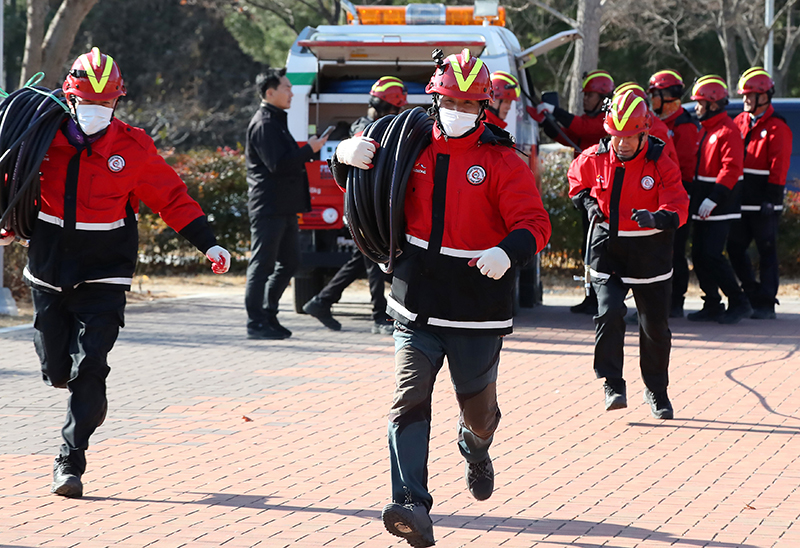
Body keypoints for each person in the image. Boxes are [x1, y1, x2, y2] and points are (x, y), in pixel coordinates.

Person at [330, 49, 551, 547]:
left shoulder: (502, 160)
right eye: (450, 101)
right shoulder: (406, 144)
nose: (459, 111)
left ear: (483, 108)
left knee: (479, 412)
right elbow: (365, 183)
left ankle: (476, 448)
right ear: (434, 99)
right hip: (416, 297)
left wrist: (507, 250)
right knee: (409, 398)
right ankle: (411, 505)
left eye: (469, 105)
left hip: (478, 304)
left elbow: (536, 225)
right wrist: (342, 158)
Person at [0, 48, 231, 498]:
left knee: (92, 364)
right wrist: (7, 222)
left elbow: (171, 197)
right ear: (69, 98)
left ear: (117, 102)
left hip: (106, 265)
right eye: (88, 102)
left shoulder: (133, 145)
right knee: (57, 368)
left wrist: (209, 242)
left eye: (105, 104)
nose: (96, 112)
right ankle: (77, 386)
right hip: (50, 261)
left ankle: (71, 460)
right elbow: (9, 178)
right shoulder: (37, 137)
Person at [567, 90, 688, 419]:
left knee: (655, 329)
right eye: (615, 136)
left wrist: (658, 218)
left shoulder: (660, 160)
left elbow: (679, 203)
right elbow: (576, 178)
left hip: (651, 255)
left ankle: (657, 390)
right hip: (609, 252)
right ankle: (612, 383)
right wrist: (589, 203)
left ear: (644, 133)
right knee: (608, 313)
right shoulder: (597, 155)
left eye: (629, 137)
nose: (621, 144)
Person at [302, 76, 408, 334]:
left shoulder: (363, 126)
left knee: (361, 261)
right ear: (392, 107)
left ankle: (321, 301)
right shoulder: (371, 131)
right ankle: (378, 317)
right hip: (366, 211)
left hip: (365, 209)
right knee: (374, 263)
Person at [244, 68, 329, 340]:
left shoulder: (277, 120)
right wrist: (310, 150)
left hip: (284, 207)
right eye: (286, 87)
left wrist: (306, 150)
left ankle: (268, 315)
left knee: (290, 262)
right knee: (262, 265)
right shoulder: (264, 123)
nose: (292, 92)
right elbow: (278, 165)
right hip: (268, 207)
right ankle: (256, 322)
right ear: (270, 93)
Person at [535, 70, 615, 315]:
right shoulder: (587, 119)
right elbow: (569, 137)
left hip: (601, 193)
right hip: (588, 192)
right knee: (588, 247)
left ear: (603, 98)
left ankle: (602, 298)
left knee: (598, 248)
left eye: (590, 95)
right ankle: (592, 297)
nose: (585, 99)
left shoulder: (606, 120)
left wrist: (555, 111)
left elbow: (583, 127)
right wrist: (546, 123)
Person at [728, 67, 792, 319]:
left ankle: (766, 303)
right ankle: (752, 292)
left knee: (767, 251)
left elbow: (779, 166)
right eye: (744, 95)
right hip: (741, 200)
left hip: (764, 202)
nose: (745, 100)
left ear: (764, 96)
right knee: (734, 248)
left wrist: (772, 198)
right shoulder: (739, 121)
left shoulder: (777, 128)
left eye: (749, 95)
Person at [686, 76, 749, 324]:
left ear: (713, 104)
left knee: (712, 254)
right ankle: (712, 302)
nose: (697, 107)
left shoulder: (727, 131)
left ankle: (739, 301)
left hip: (720, 205)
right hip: (705, 203)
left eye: (700, 103)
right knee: (699, 254)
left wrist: (714, 198)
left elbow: (731, 168)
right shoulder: (707, 130)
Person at [649, 69, 701, 318]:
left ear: (666, 95)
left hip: (681, 193)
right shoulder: (662, 123)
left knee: (676, 249)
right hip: (662, 195)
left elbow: (687, 165)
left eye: (654, 95)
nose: (652, 101)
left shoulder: (684, 124)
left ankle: (676, 300)